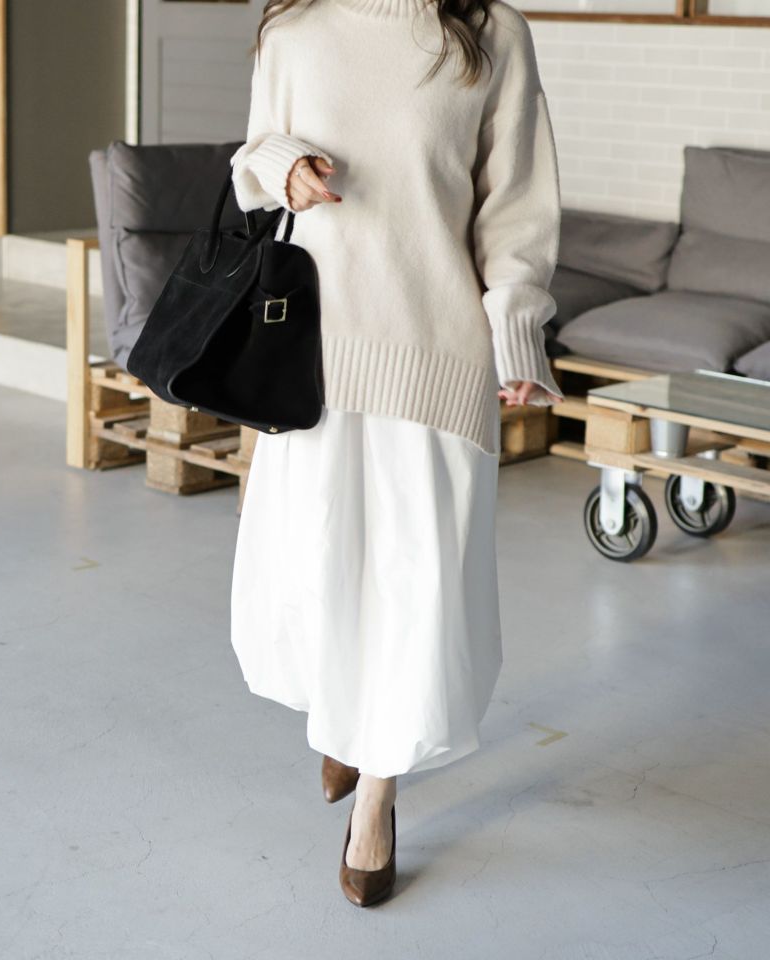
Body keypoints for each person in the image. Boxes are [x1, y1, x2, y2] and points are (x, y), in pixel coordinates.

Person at [229, 0, 564, 907]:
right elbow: (249, 160)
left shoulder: (490, 33)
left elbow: (516, 203)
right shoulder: (294, 30)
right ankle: (348, 722)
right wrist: (279, 166)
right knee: (319, 568)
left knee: (420, 587)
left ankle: (375, 796)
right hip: (313, 356)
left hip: (437, 353)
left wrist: (517, 332)